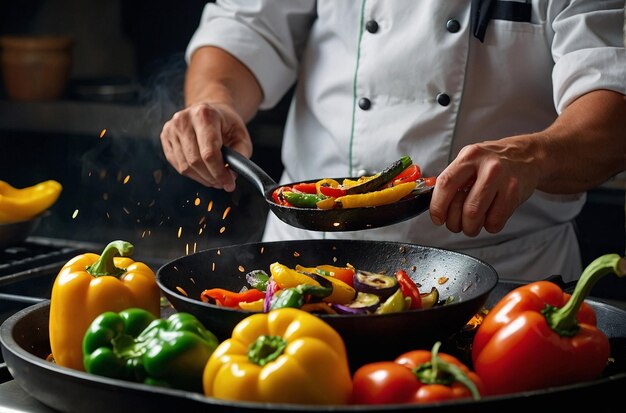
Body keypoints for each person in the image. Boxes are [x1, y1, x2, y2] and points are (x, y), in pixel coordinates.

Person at [160, 1, 626, 282]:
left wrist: (535, 156)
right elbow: (245, 26)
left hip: (499, 276)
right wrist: (216, 102)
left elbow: (613, 93)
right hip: (302, 260)